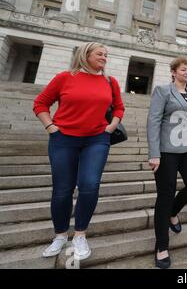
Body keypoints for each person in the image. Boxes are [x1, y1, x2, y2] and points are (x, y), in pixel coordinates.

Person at [33, 42, 125, 261]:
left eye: (106, 54)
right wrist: (51, 127)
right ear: (86, 55)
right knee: (62, 189)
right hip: (63, 139)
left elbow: (119, 107)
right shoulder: (64, 77)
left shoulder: (110, 81)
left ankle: (80, 235)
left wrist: (111, 127)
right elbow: (40, 103)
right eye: (99, 54)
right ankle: (60, 235)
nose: (104, 57)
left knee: (90, 184)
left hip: (97, 139)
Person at [147, 57, 187, 269]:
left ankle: (173, 211)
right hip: (166, 150)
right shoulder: (163, 91)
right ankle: (161, 246)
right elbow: (153, 121)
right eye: (184, 69)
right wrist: (154, 153)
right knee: (165, 194)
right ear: (174, 72)